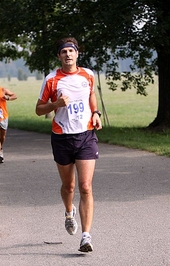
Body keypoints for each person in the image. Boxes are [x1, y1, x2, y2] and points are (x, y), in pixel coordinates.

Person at [35, 37, 102, 252]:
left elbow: (91, 95)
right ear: (59, 56)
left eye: (71, 51)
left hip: (85, 136)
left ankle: (86, 236)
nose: (68, 55)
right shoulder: (52, 79)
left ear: (77, 54)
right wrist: (55, 104)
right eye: (63, 52)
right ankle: (68, 211)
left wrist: (96, 113)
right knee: (69, 187)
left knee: (85, 186)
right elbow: (38, 109)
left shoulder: (88, 75)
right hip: (62, 137)